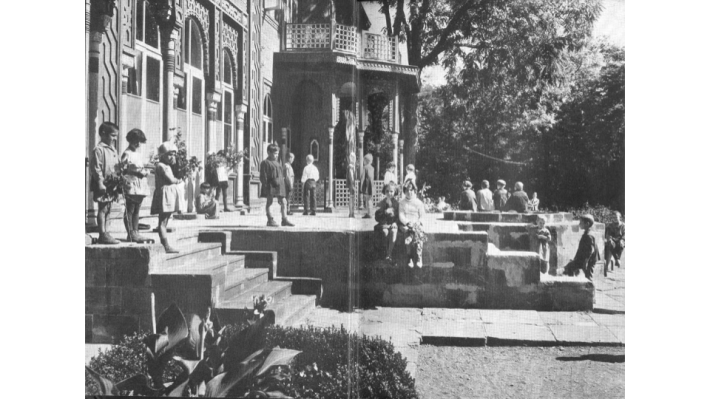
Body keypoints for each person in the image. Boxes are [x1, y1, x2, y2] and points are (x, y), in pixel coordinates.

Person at [90, 122, 121, 245]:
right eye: (113, 135)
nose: (115, 139)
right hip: (102, 183)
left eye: (116, 136)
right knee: (102, 208)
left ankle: (107, 232)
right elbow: (96, 168)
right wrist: (100, 182)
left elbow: (116, 166)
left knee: (108, 208)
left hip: (111, 184)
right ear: (103, 134)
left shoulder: (113, 149)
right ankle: (102, 233)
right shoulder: (99, 149)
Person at [150, 141, 183, 253]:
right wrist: (178, 180)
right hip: (165, 194)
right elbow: (170, 179)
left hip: (170, 194)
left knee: (165, 220)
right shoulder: (161, 166)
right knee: (163, 222)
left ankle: (166, 244)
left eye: (174, 154)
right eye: (169, 154)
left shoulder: (168, 165)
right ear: (162, 155)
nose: (172, 157)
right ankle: (165, 245)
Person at [121, 128, 151, 243]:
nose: (137, 144)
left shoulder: (138, 154)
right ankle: (130, 232)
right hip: (132, 183)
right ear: (130, 140)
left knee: (137, 209)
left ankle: (136, 231)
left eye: (139, 142)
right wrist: (135, 172)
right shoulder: (127, 154)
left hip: (140, 184)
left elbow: (141, 167)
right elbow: (122, 170)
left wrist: (145, 171)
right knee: (130, 209)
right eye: (135, 141)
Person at [260, 144, 294, 227]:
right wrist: (265, 185)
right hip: (270, 185)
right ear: (268, 152)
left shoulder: (277, 163)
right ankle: (270, 219)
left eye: (277, 153)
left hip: (279, 185)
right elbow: (263, 176)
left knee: (283, 202)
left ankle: (284, 219)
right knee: (270, 202)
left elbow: (281, 174)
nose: (276, 155)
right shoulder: (265, 163)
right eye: (275, 153)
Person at [399, 180, 427, 268]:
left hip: (416, 224)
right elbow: (401, 215)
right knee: (407, 233)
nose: (409, 192)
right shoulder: (402, 203)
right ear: (404, 191)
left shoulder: (419, 203)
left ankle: (419, 257)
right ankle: (409, 257)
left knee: (418, 234)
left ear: (415, 191)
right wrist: (407, 222)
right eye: (407, 190)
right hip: (407, 224)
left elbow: (422, 216)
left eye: (411, 190)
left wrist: (417, 223)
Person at [563, 214, 600, 279]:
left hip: (589, 260)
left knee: (588, 275)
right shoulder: (586, 233)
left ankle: (590, 287)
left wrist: (586, 262)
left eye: (581, 222)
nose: (579, 224)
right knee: (569, 267)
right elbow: (581, 249)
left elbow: (590, 251)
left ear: (587, 224)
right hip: (583, 258)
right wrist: (575, 259)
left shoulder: (589, 235)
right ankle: (574, 283)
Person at [374, 182, 400, 262]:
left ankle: (389, 254)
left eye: (391, 191)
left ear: (395, 192)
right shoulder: (381, 203)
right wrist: (385, 212)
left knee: (393, 231)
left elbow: (399, 216)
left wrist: (395, 222)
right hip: (384, 224)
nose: (389, 193)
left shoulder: (397, 203)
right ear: (384, 192)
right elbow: (377, 217)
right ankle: (384, 252)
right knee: (384, 232)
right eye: (387, 191)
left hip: (393, 223)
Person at [361, 154, 375, 219]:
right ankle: (370, 213)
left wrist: (361, 187)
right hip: (372, 186)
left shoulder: (365, 167)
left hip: (366, 186)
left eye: (364, 160)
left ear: (366, 160)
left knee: (368, 200)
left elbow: (363, 178)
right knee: (370, 200)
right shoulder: (372, 168)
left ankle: (369, 214)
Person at [346, 152, 357, 218]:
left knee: (352, 198)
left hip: (352, 183)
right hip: (352, 184)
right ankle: (351, 213)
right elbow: (351, 176)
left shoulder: (352, 166)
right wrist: (352, 184)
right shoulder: (351, 166)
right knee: (351, 198)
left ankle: (352, 213)